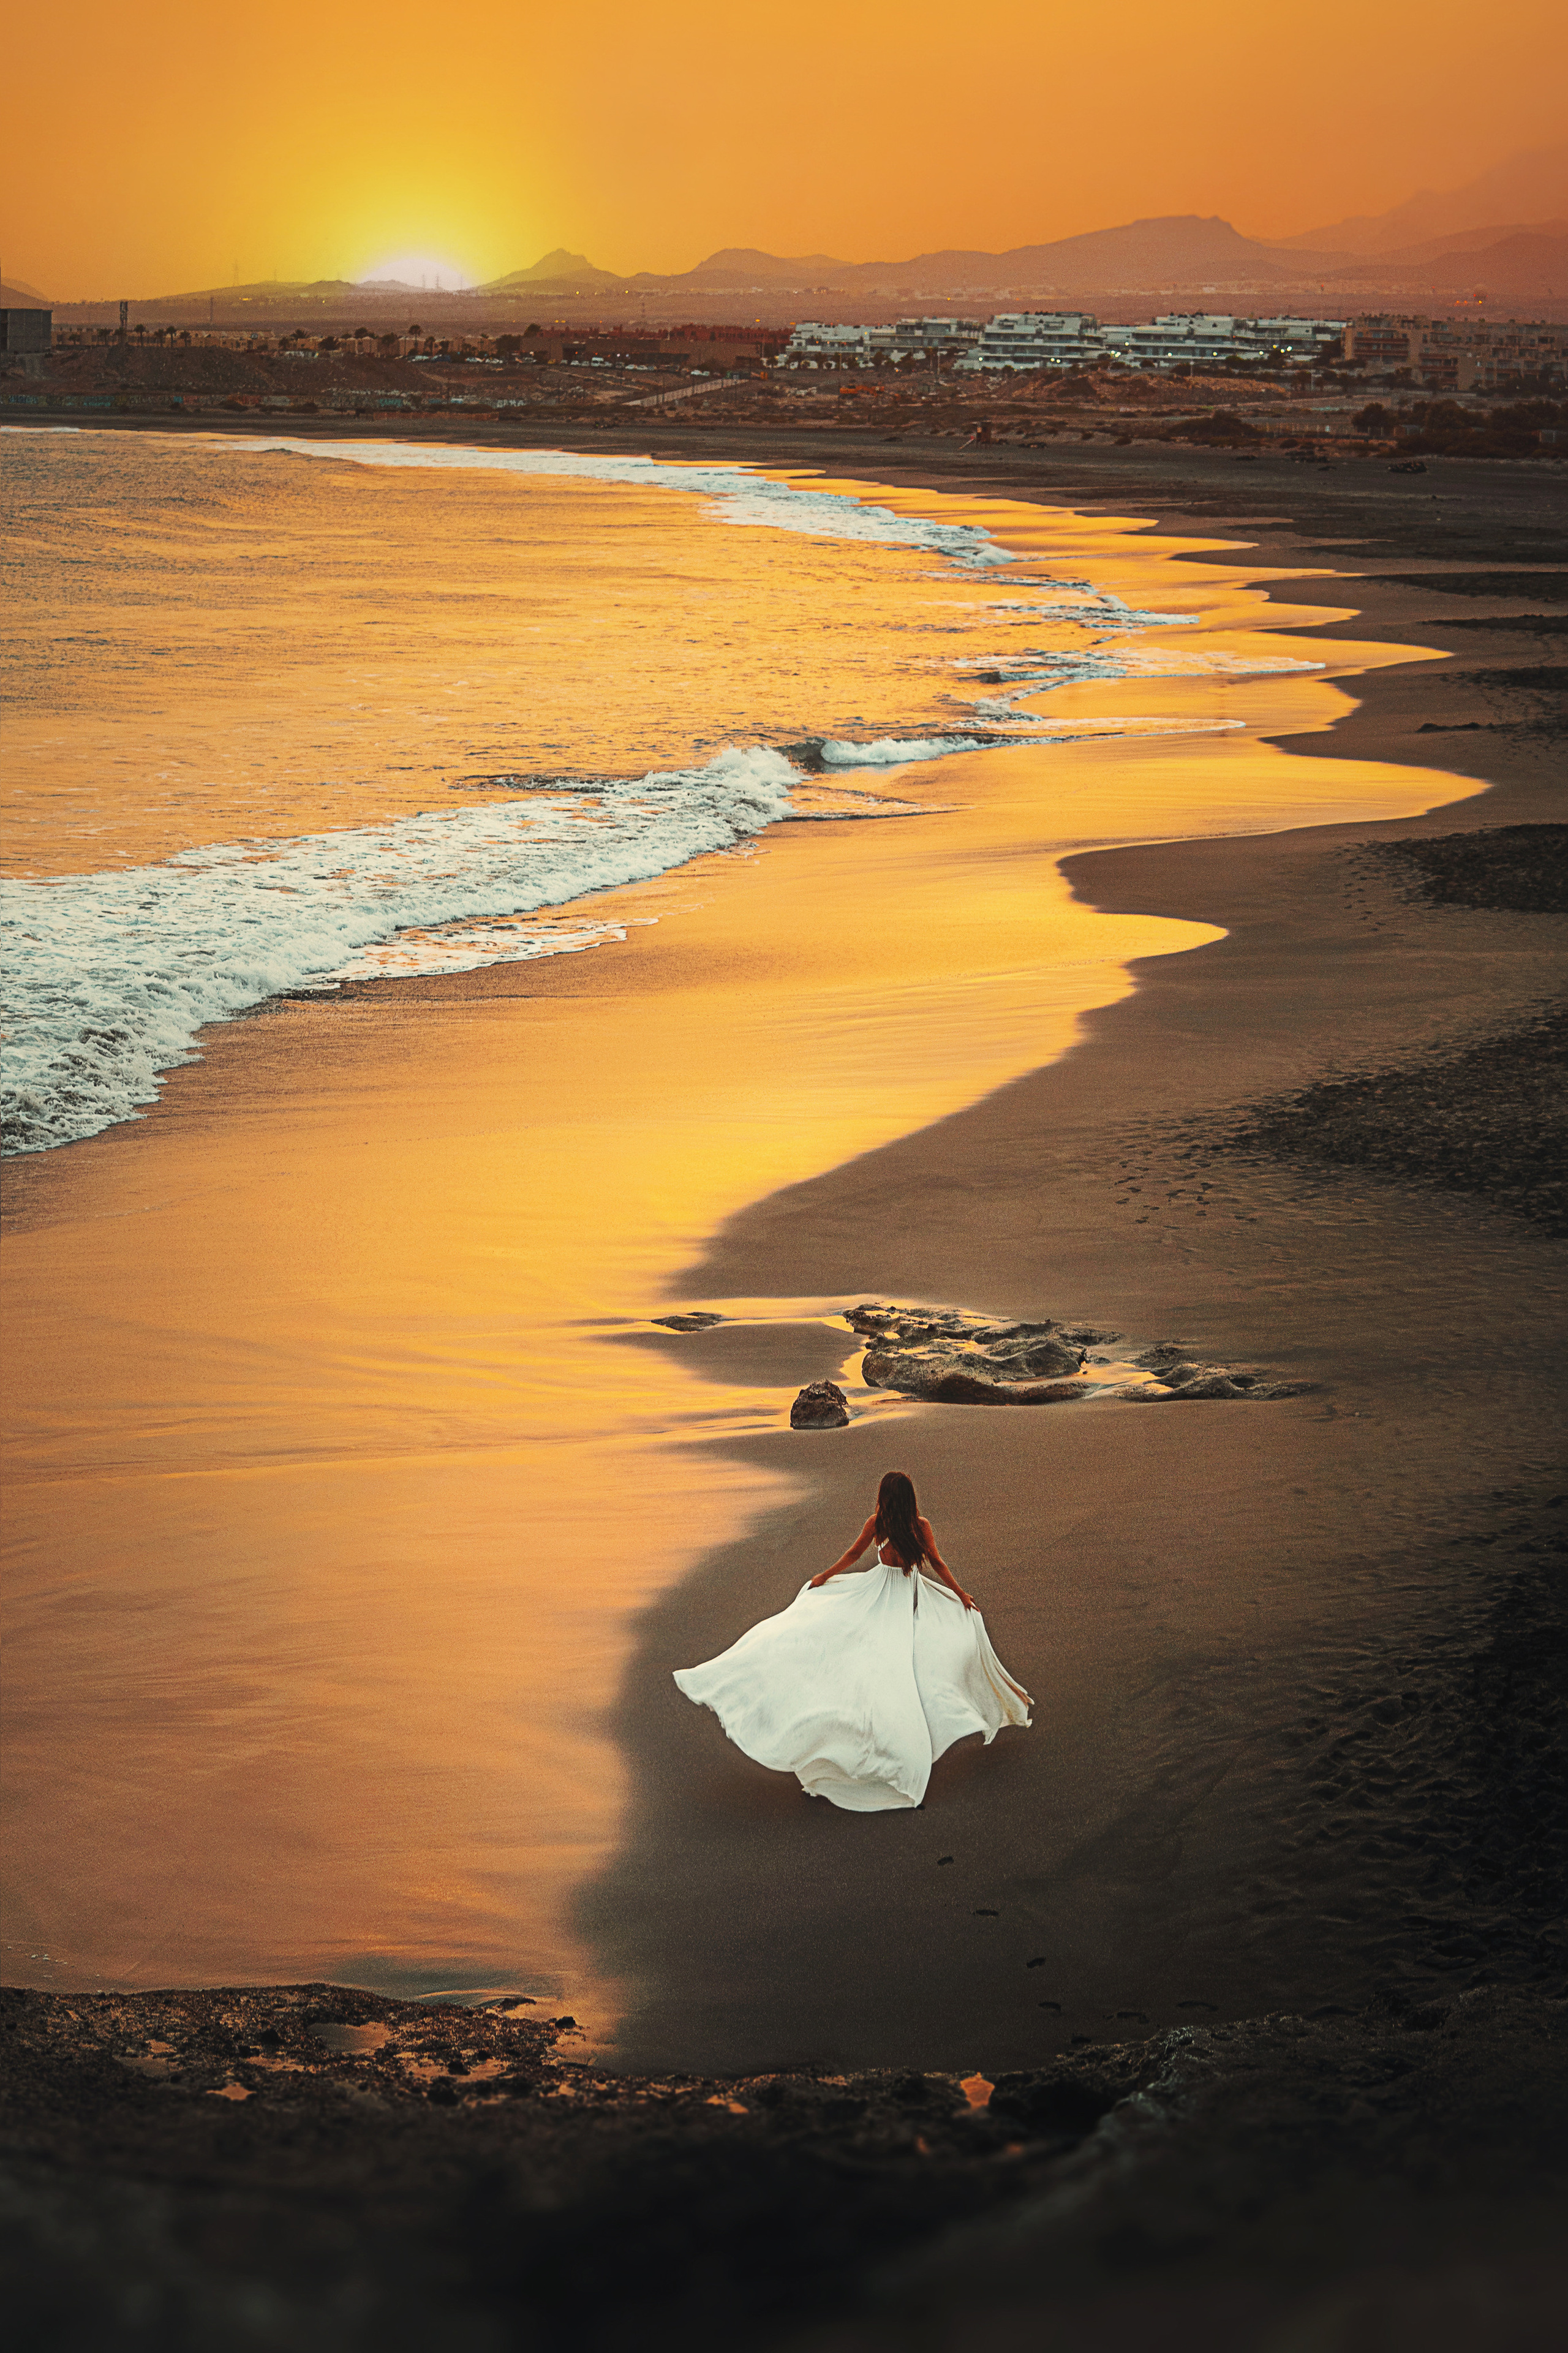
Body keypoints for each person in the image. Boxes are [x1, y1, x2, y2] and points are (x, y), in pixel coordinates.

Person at [673, 1471, 1031, 1813]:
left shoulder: (878, 1524)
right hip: (906, 1599)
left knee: (874, 1659)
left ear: (886, 1499)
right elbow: (937, 1564)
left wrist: (823, 1576)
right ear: (910, 1499)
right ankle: (979, 1708)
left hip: (881, 1594)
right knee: (911, 1665)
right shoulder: (919, 1527)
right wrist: (961, 1595)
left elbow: (853, 1556)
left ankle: (876, 1742)